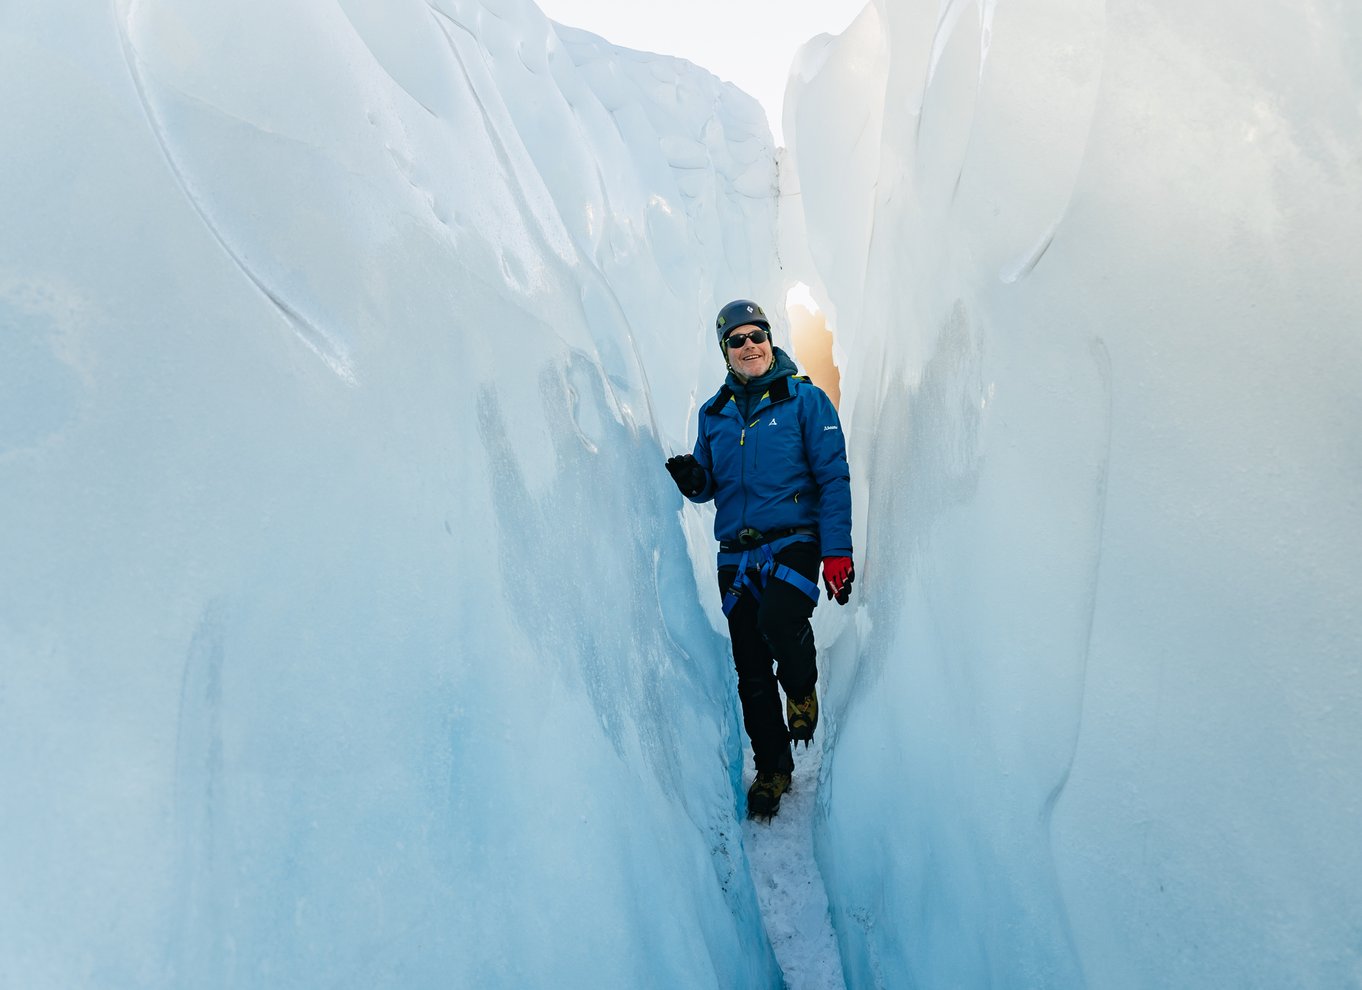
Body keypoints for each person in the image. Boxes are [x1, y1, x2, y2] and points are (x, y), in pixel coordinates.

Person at [665, 299, 854, 820]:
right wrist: (696, 481)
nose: (749, 345)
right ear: (725, 351)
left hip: (796, 537)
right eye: (737, 339)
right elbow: (710, 481)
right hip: (737, 554)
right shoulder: (714, 414)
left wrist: (837, 550)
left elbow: (833, 478)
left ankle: (800, 688)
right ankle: (773, 768)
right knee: (749, 665)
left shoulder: (805, 401)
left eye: (757, 335)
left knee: (779, 618)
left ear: (770, 339)